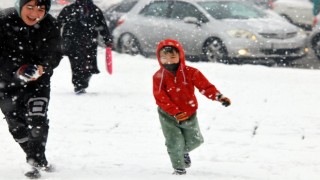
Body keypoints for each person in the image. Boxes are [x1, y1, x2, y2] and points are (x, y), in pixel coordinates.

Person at [0, 0, 62, 178]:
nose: (35, 13)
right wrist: (17, 69)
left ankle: (34, 161)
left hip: (38, 82)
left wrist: (44, 66)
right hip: (6, 83)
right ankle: (34, 154)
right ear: (20, 6)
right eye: (30, 7)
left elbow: (55, 52)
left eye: (41, 9)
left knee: (37, 117)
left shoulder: (50, 24)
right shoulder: (3, 20)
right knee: (16, 124)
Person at [153, 39, 231, 175]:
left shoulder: (191, 72)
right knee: (174, 141)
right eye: (164, 58)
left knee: (196, 140)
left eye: (173, 57)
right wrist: (175, 113)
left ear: (180, 56)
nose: (169, 61)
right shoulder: (159, 77)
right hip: (168, 115)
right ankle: (179, 168)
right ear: (159, 58)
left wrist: (219, 96)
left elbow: (205, 87)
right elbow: (161, 98)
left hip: (189, 112)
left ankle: (182, 152)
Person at [57, 0, 113, 94]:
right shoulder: (69, 9)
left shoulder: (94, 10)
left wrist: (107, 40)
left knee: (89, 66)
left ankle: (82, 82)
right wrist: (55, 39)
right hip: (72, 43)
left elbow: (102, 26)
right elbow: (57, 24)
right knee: (76, 65)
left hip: (89, 43)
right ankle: (79, 85)